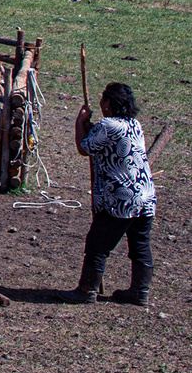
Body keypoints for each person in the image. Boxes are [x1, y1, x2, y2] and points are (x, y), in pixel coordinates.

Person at [60, 82, 156, 305]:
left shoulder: (108, 125)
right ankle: (140, 291)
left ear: (110, 103)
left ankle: (86, 290)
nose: (101, 103)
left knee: (97, 244)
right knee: (140, 243)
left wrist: (79, 122)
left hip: (121, 198)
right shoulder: (134, 124)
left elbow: (85, 148)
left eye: (103, 99)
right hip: (145, 195)